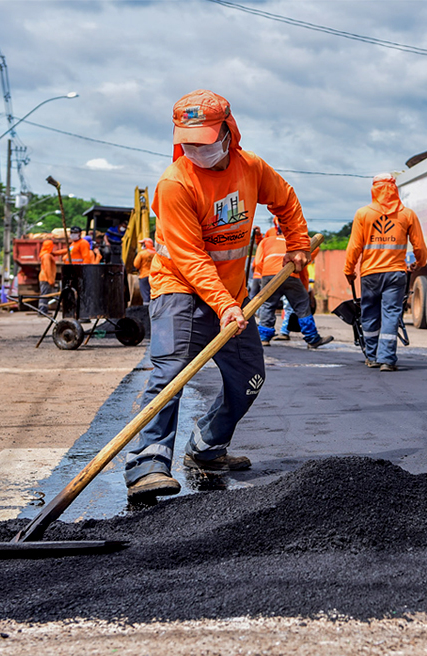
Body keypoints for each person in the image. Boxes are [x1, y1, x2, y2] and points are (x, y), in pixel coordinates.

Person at [123, 89, 312, 502]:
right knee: (172, 371)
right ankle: (146, 464)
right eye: (188, 141)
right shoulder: (175, 185)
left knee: (248, 377)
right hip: (181, 289)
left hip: (232, 296)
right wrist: (225, 305)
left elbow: (285, 198)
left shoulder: (251, 168)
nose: (196, 149)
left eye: (205, 140)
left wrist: (297, 241)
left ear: (229, 131)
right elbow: (190, 258)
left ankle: (207, 446)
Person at [344, 173, 427, 371]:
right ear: (394, 190)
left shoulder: (363, 214)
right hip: (395, 274)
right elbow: (420, 247)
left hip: (370, 274)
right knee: (391, 314)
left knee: (370, 314)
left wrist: (349, 270)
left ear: (374, 190)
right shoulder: (407, 214)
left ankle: (372, 356)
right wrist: (420, 263)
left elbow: (354, 246)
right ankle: (387, 359)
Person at [253, 228, 332, 348]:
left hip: (268, 274)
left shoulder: (266, 241)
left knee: (268, 305)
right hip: (290, 274)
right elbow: (314, 247)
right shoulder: (296, 240)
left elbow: (257, 263)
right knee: (302, 304)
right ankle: (312, 338)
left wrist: (265, 274)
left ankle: (264, 338)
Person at [133, 237, 156, 304]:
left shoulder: (142, 253)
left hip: (144, 276)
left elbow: (136, 264)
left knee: (145, 295)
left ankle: (146, 309)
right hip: (154, 276)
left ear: (145, 245)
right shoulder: (156, 253)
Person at [37, 239, 58, 314]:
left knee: (45, 294)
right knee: (45, 294)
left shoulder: (47, 254)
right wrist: (50, 280)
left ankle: (43, 310)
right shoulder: (46, 256)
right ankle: (42, 311)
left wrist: (70, 249)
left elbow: (57, 253)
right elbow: (47, 269)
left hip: (45, 277)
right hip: (45, 278)